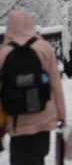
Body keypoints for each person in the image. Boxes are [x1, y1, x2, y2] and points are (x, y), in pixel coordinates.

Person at [0, 11, 66, 163]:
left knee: (19, 159)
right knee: (37, 158)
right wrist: (61, 115)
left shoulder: (4, 53)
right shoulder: (44, 48)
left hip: (16, 120)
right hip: (43, 117)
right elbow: (55, 85)